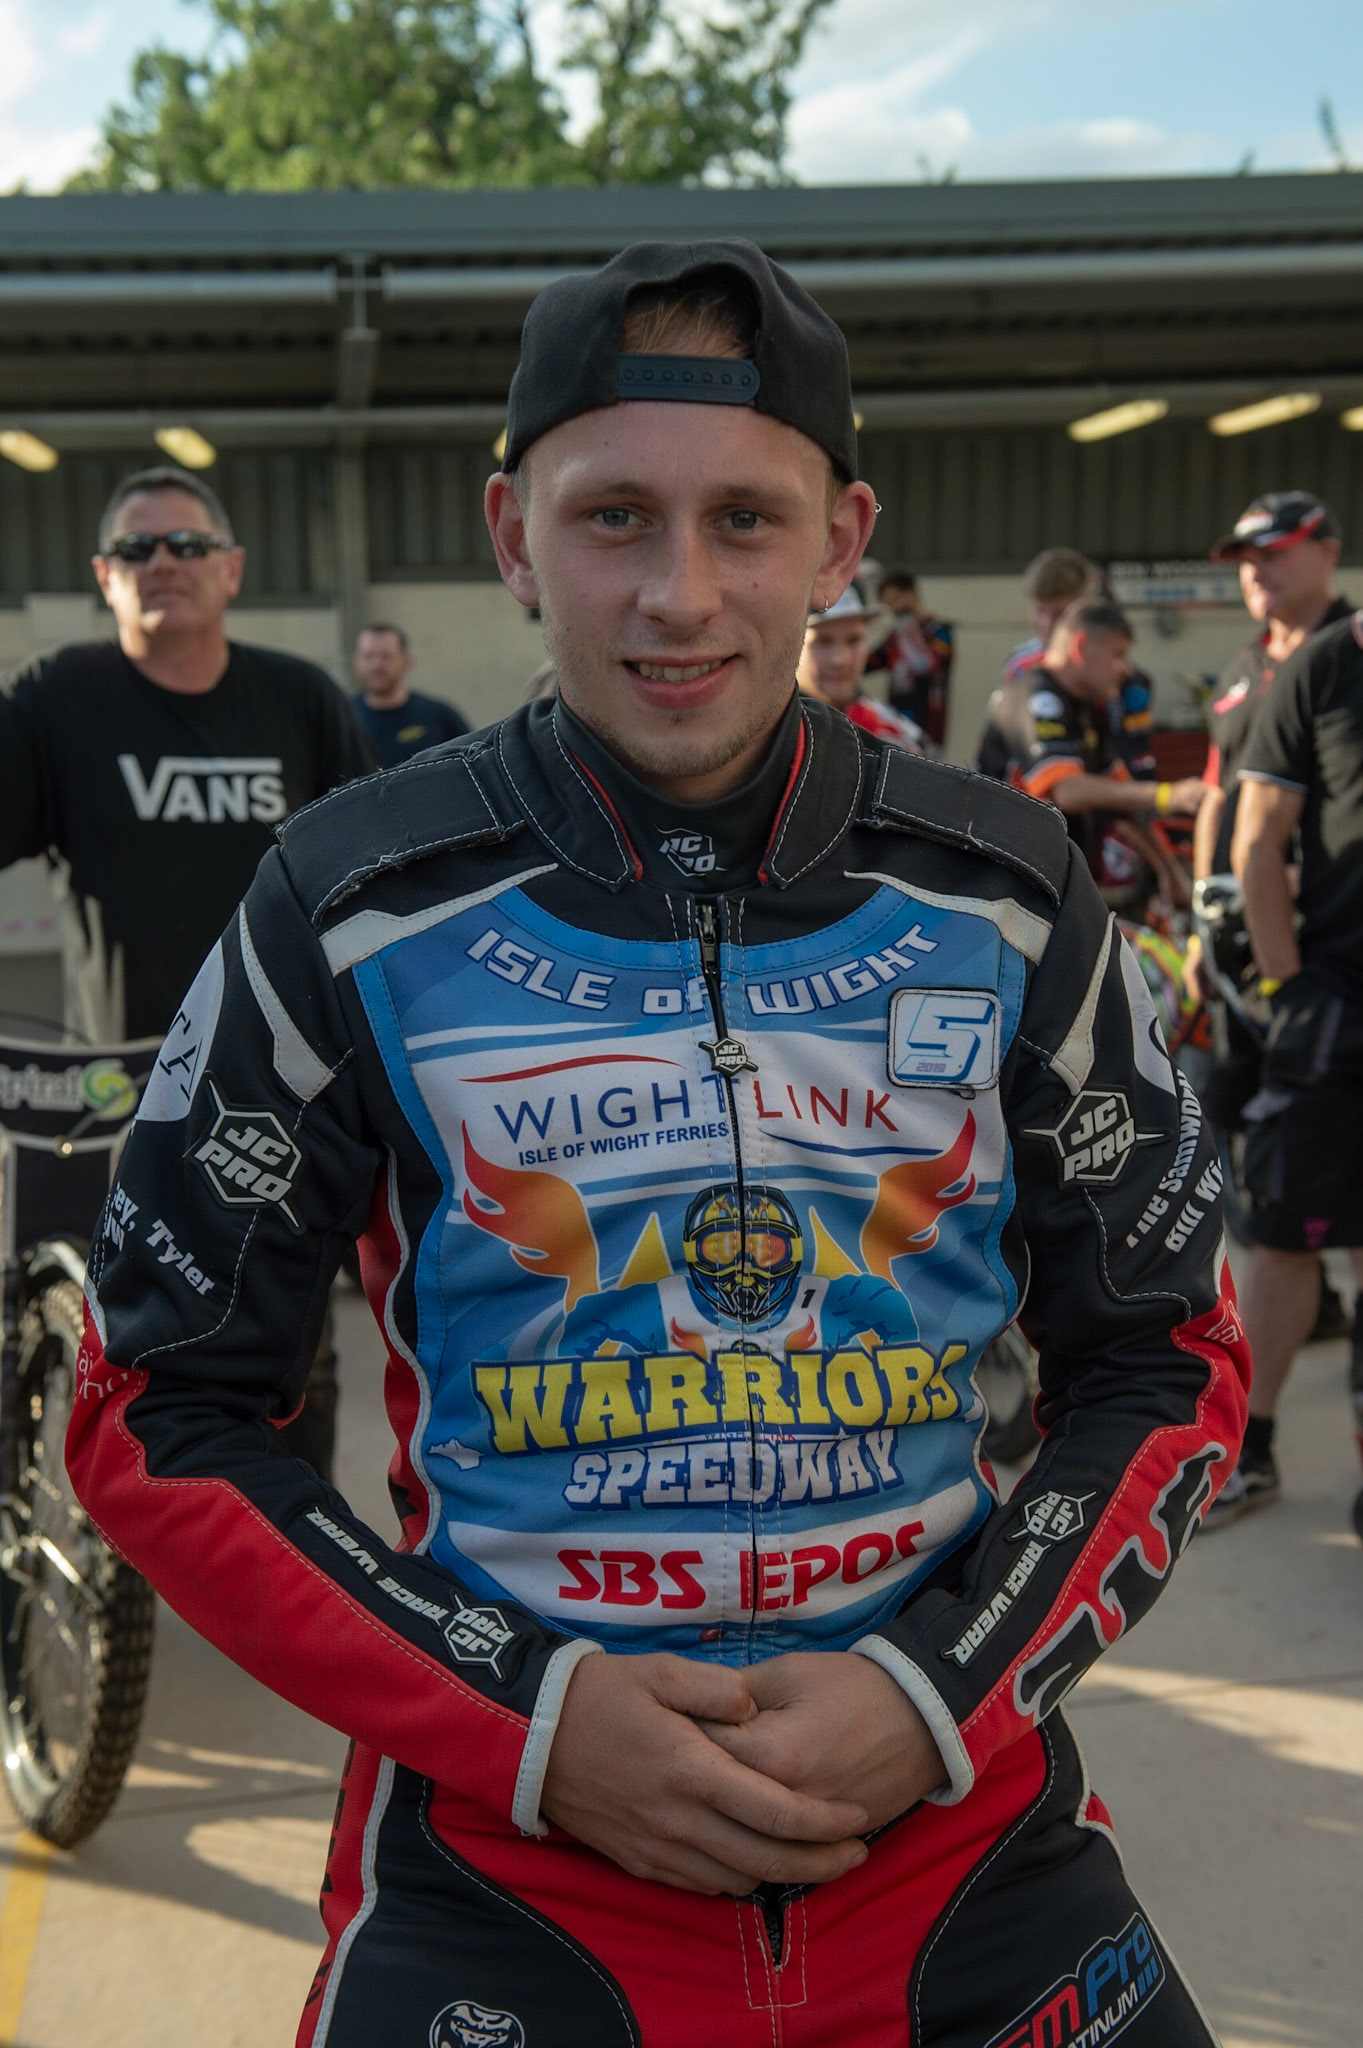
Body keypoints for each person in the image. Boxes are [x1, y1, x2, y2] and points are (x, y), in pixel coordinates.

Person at [69, 241, 1246, 2048]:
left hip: (958, 1853)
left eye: (745, 524)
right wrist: (526, 1716)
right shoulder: (348, 894)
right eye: (612, 516)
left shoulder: (1003, 885)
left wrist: (931, 1686)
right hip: (507, 1873)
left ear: (842, 539)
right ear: (509, 533)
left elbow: (1165, 1358)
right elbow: (155, 1405)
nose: (677, 595)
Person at [0, 463, 374, 1478]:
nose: (162, 562)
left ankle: (294, 1557)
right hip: (114, 1094)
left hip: (285, 1088)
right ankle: (82, 1578)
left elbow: (366, 890)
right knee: (97, 1342)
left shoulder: (298, 702)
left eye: (186, 545)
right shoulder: (56, 698)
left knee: (296, 1355)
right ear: (104, 576)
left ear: (232, 569)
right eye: (136, 549)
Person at [1202, 600, 1363, 1528]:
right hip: (1330, 1000)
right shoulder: (1323, 665)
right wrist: (1285, 990)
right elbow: (1255, 837)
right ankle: (1248, 1451)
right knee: (1279, 1236)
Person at [976, 597, 1203, 903]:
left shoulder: (1089, 709)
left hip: (1057, 889)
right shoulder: (1034, 696)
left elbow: (1123, 795)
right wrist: (1166, 795)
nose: (1126, 670)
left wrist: (1170, 872)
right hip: (1009, 891)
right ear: (1081, 646)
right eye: (1119, 655)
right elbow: (1067, 790)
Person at [797, 584, 923, 747]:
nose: (840, 659)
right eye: (823, 642)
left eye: (853, 640)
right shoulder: (765, 733)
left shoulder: (898, 733)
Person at [351, 620, 471, 767]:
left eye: (386, 656)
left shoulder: (438, 715)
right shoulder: (344, 719)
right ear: (356, 663)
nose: (377, 665)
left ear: (406, 663)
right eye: (368, 656)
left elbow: (472, 761)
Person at [863, 569, 953, 751]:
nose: (893, 608)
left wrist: (908, 627)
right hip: (898, 723)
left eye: (896, 600)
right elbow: (864, 664)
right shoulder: (894, 638)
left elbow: (926, 664)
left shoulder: (938, 632)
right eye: (887, 604)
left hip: (929, 723)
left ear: (911, 594)